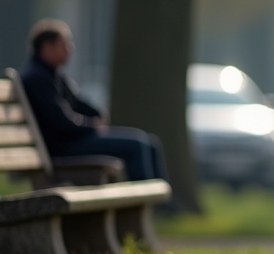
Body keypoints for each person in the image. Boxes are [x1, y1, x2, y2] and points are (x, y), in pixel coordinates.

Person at [19, 19, 168, 183]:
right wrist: (92, 125)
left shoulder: (51, 74)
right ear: (47, 47)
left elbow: (78, 103)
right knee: (137, 145)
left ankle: (161, 203)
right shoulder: (37, 78)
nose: (70, 48)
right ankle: (146, 203)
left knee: (151, 143)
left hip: (72, 141)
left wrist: (97, 114)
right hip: (63, 147)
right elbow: (60, 121)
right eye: (65, 44)